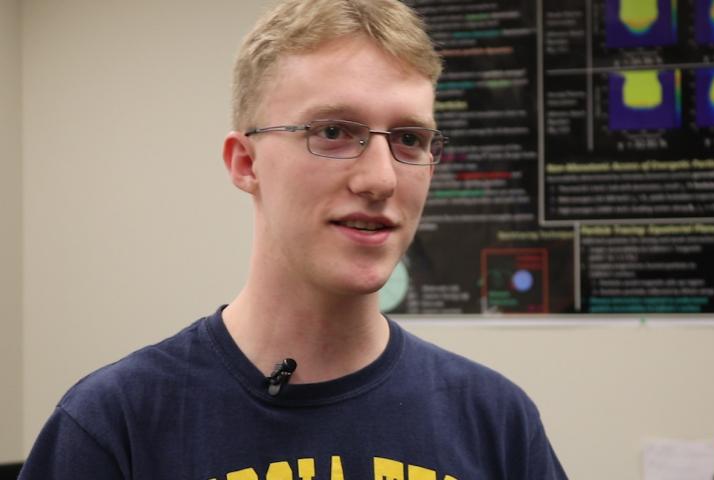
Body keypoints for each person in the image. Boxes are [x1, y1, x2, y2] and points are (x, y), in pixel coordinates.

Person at [20, 1, 567, 478]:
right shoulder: (117, 424)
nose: (380, 179)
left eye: (409, 138)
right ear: (245, 163)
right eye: (332, 132)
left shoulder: (495, 423)